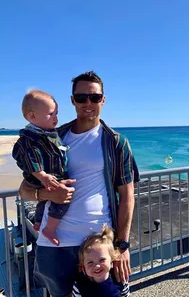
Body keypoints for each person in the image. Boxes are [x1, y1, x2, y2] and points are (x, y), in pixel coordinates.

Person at [19, 71, 139, 297]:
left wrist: (122, 246)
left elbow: (127, 196)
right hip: (55, 242)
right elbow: (24, 190)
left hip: (97, 244)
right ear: (72, 100)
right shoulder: (51, 138)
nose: (88, 103)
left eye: (94, 97)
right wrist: (47, 194)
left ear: (103, 99)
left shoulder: (116, 142)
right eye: (81, 97)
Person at [12, 90, 69, 246]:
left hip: (48, 175)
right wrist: (43, 176)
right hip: (42, 177)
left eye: (56, 113)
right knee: (63, 199)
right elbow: (33, 158)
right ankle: (50, 228)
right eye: (51, 114)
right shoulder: (32, 138)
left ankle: (38, 221)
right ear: (32, 116)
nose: (56, 119)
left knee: (45, 201)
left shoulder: (47, 133)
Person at [73, 224, 123, 297]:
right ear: (83, 265)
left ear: (112, 259)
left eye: (102, 260)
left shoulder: (119, 278)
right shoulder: (79, 284)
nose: (97, 266)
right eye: (90, 262)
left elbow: (126, 294)